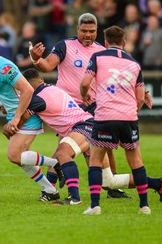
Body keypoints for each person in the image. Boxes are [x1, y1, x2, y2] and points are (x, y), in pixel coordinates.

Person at [17, 69, 162, 205]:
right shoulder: (50, 88)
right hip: (90, 125)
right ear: (41, 80)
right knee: (108, 181)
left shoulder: (36, 98)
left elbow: (21, 120)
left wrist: (12, 116)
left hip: (83, 127)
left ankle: (74, 199)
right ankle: (158, 183)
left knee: (63, 153)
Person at [29, 12, 131, 199]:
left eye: (91, 31)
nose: (87, 35)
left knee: (104, 146)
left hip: (93, 106)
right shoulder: (65, 46)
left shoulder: (101, 51)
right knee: (65, 148)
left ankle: (111, 188)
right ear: (77, 29)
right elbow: (47, 66)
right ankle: (52, 189)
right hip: (67, 106)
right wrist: (36, 59)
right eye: (84, 31)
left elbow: (113, 76)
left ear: (97, 31)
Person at [0, 39, 63, 201]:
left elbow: (27, 90)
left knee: (14, 155)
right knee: (21, 159)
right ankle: (50, 190)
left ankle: (56, 164)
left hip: (26, 115)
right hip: (13, 115)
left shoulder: (4, 67)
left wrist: (17, 118)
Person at [80, 25, 152, 215]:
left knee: (95, 159)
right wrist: (130, 111)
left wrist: (84, 95)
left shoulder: (98, 57)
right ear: (124, 42)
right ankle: (144, 205)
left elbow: (85, 82)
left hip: (105, 116)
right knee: (136, 160)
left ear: (105, 42)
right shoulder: (135, 64)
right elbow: (140, 97)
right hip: (128, 117)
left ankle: (95, 205)